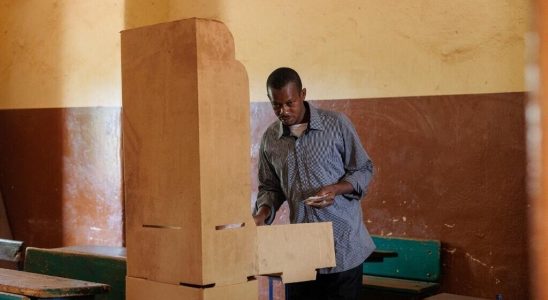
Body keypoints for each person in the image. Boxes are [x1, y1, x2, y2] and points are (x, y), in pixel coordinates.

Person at [253, 67, 376, 300]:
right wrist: (262, 213)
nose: (284, 111)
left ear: (303, 94)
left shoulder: (336, 125)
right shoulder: (271, 139)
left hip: (342, 246)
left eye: (290, 103)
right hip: (300, 253)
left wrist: (336, 189)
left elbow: (363, 169)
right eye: (276, 105)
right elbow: (270, 188)